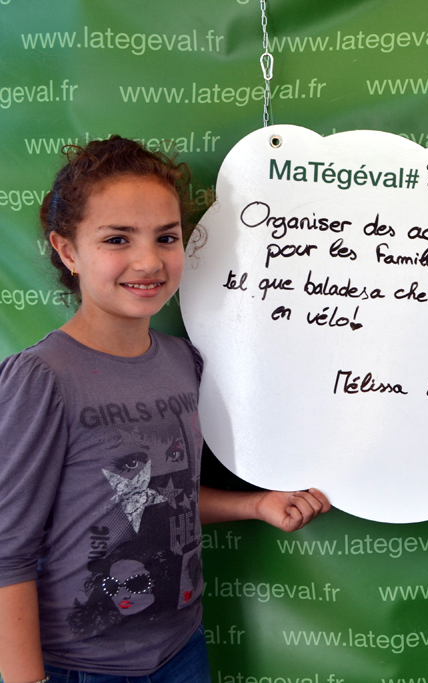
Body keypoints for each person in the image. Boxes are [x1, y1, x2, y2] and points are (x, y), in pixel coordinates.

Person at [0, 137, 331, 683]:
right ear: (67, 251)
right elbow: (7, 550)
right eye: (117, 239)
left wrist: (256, 505)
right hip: (81, 667)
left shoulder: (183, 362)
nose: (149, 261)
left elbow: (159, 496)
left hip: (181, 650)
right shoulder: (43, 379)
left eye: (166, 237)